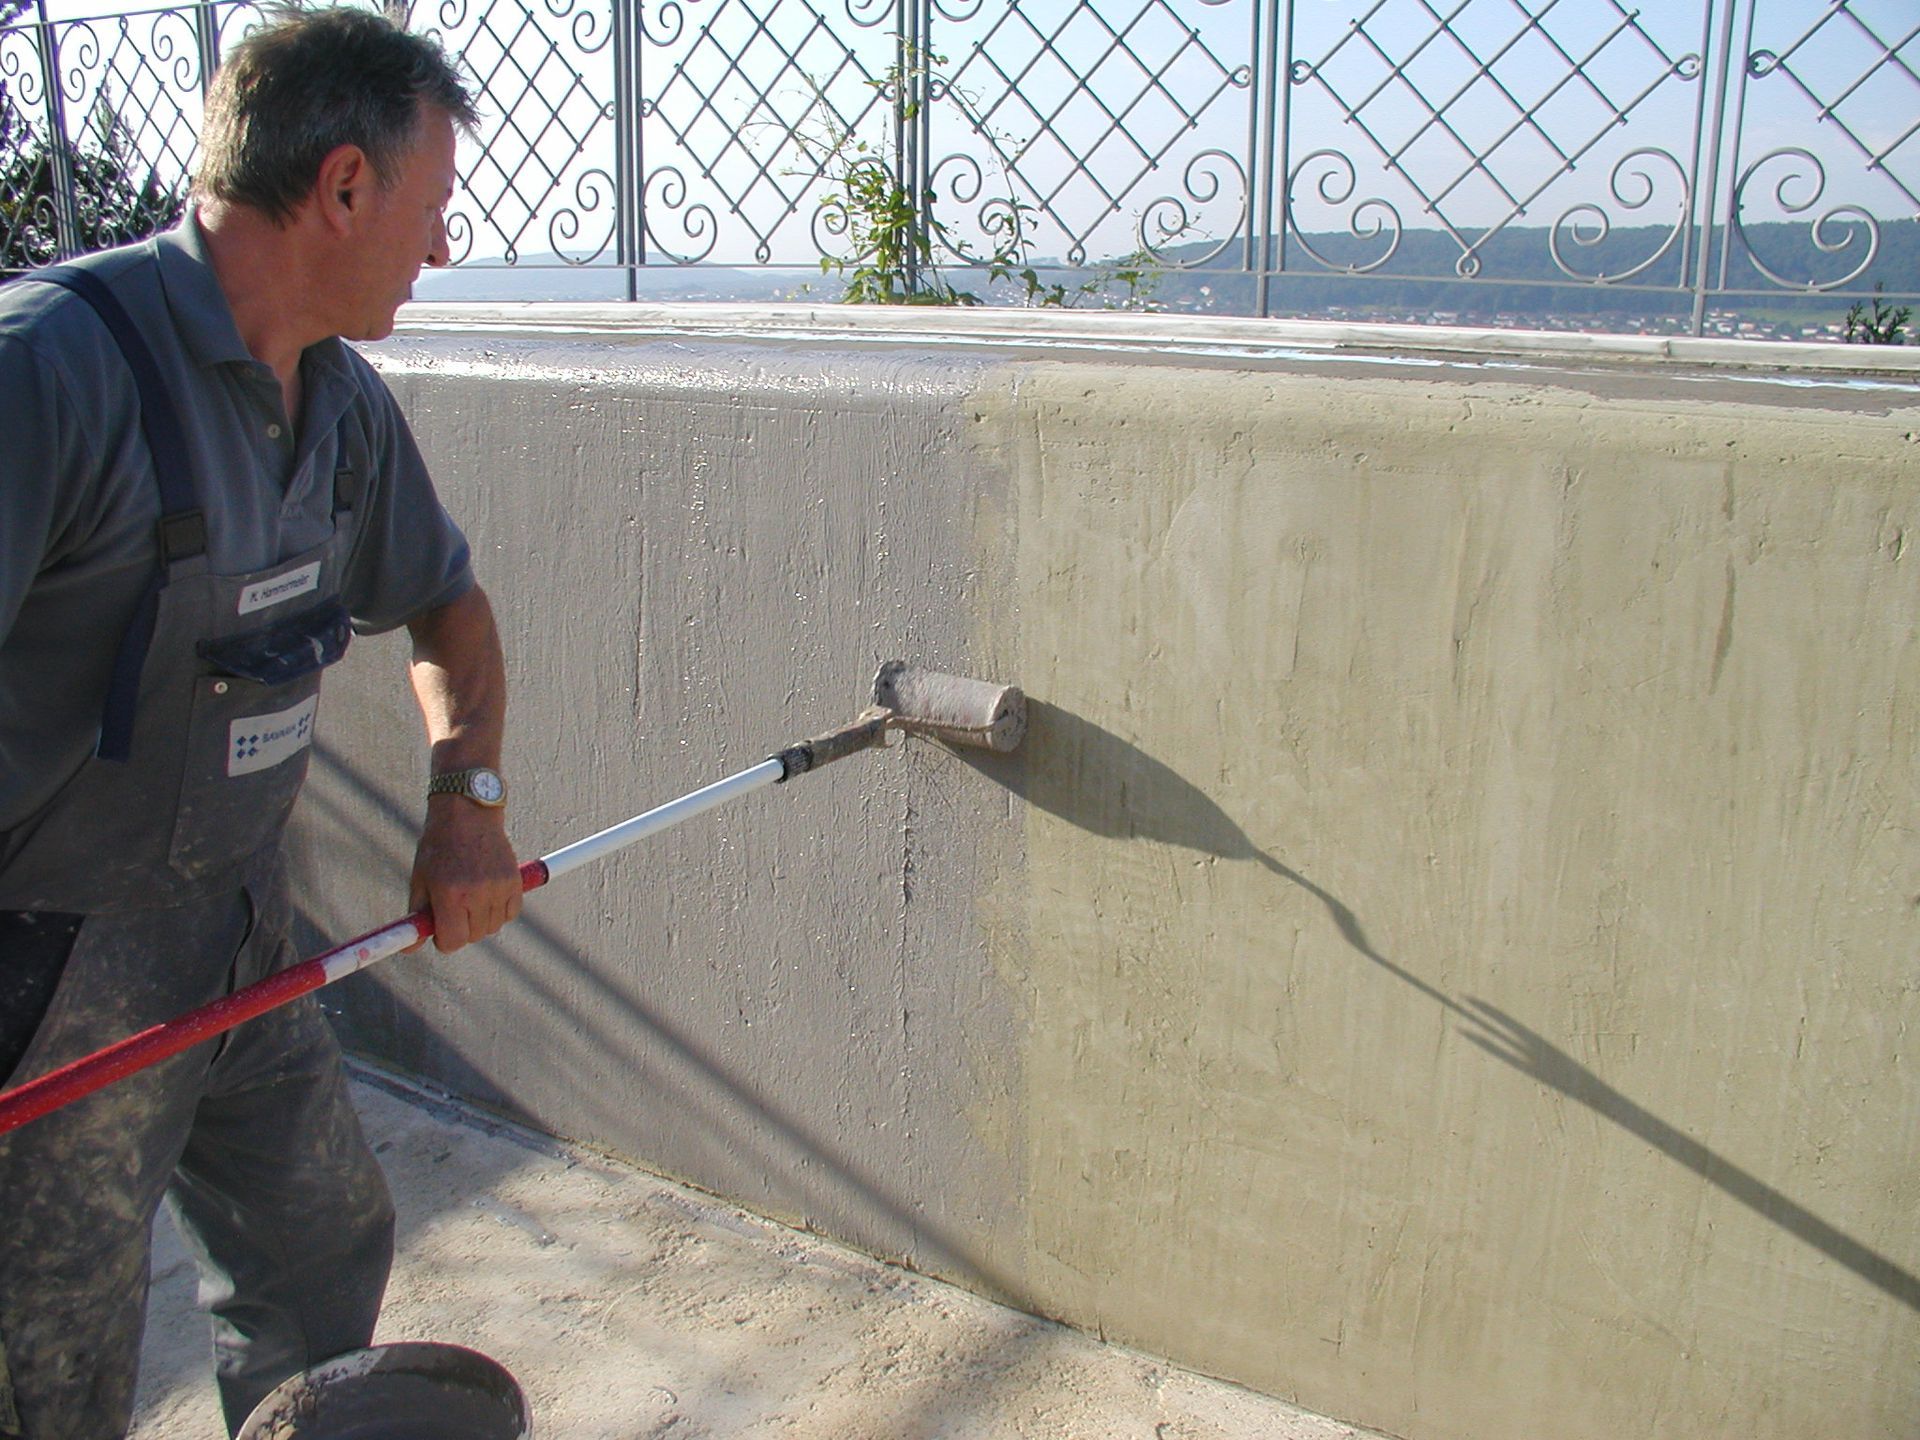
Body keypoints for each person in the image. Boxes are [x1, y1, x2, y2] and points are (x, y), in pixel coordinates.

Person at [0, 8, 524, 1435]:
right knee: (49, 1366)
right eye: (430, 212)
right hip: (52, 981)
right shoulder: (50, 372)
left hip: (240, 940)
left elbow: (449, 612)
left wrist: (463, 803)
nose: (439, 250)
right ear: (343, 186)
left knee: (320, 1249)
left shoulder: (341, 409)